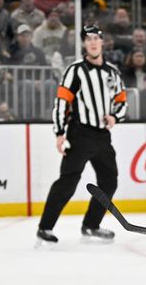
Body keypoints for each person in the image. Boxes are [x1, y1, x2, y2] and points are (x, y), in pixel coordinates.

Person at [36, 25, 127, 244]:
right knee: (68, 182)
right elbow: (61, 102)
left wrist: (115, 116)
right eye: (89, 39)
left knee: (109, 181)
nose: (93, 42)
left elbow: (122, 101)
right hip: (80, 134)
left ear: (102, 42)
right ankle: (45, 227)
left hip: (103, 137)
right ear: (84, 44)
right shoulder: (75, 70)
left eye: (96, 38)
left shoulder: (112, 72)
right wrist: (59, 132)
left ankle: (91, 225)